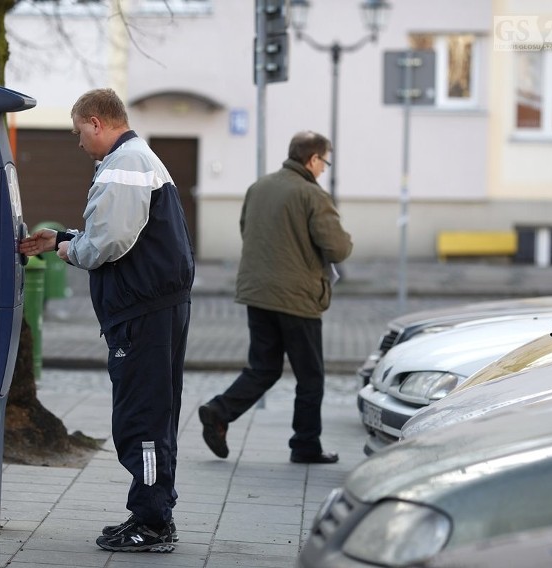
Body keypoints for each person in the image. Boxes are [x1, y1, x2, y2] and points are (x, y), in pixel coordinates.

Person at [18, 88, 194, 553]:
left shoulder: (124, 164)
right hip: (155, 308)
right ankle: (153, 513)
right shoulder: (137, 159)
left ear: (96, 122)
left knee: (142, 419)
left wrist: (69, 249)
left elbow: (109, 243)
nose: (78, 144)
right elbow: (125, 233)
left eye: (79, 132)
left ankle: (152, 522)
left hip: (143, 312)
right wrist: (61, 235)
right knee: (153, 414)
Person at [198, 131, 352, 465]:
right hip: (297, 298)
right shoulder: (313, 195)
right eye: (324, 161)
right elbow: (338, 248)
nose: (324, 169)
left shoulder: (260, 187)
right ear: (312, 160)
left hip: (257, 293)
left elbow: (246, 230)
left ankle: (219, 412)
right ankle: (305, 445)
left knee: (264, 368)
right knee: (310, 377)